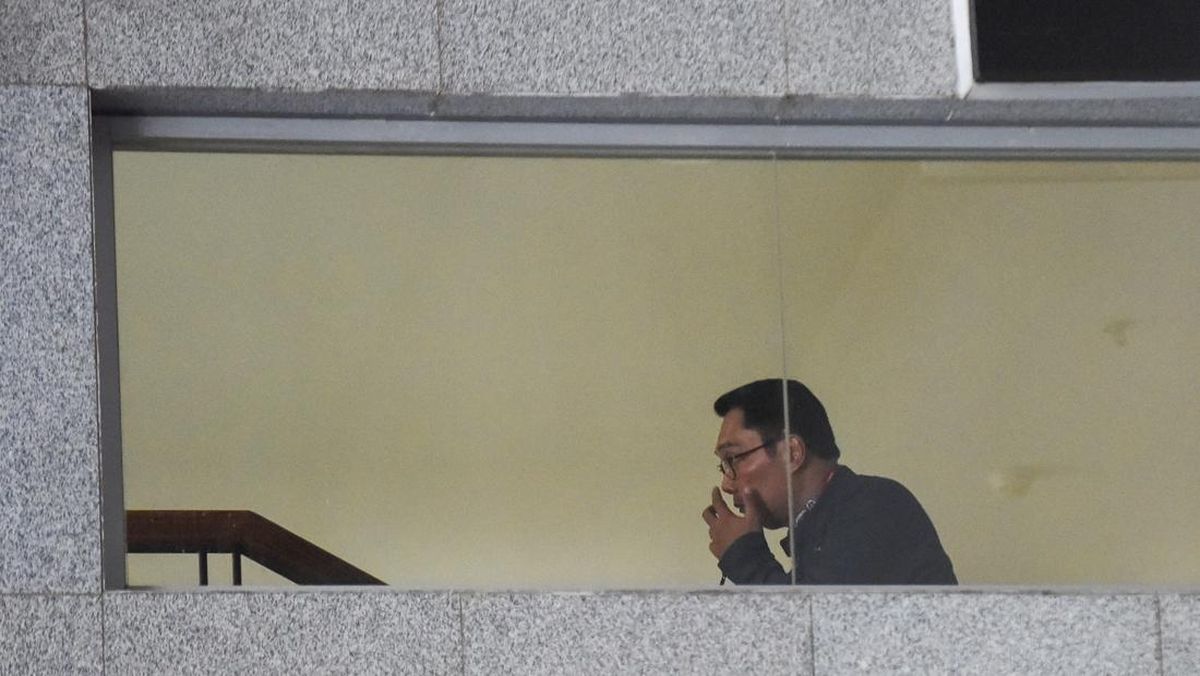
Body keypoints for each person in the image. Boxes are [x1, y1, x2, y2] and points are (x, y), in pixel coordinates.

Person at [701, 379, 957, 585]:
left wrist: (743, 555)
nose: (726, 484)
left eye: (734, 459)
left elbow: (812, 625)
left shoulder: (876, 506)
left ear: (792, 453)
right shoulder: (827, 519)